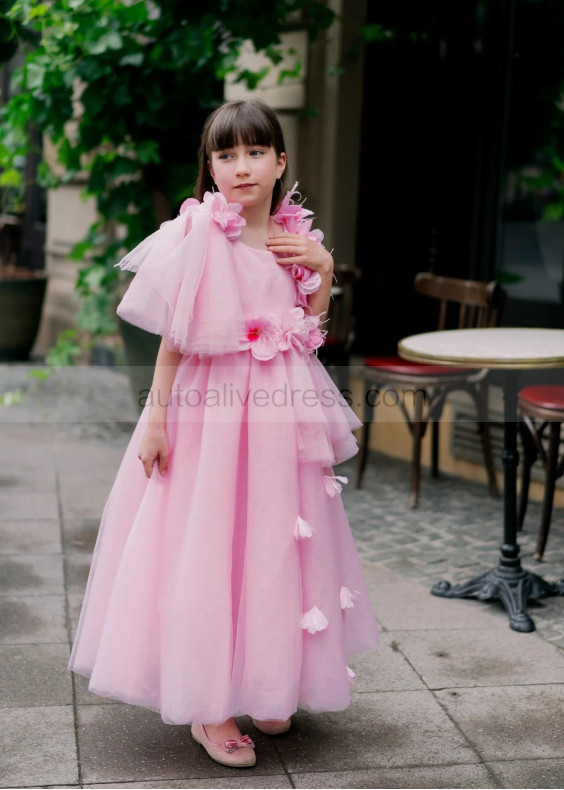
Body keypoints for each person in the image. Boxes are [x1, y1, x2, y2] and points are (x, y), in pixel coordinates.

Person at [68, 98, 379, 769]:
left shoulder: (295, 237)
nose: (242, 167)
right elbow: (177, 336)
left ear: (280, 162)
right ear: (210, 168)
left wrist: (322, 272)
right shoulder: (203, 236)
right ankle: (210, 705)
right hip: (210, 412)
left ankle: (266, 678)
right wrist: (155, 416)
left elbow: (310, 333)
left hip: (280, 415)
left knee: (271, 541)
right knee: (208, 542)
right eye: (227, 154)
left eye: (256, 152)